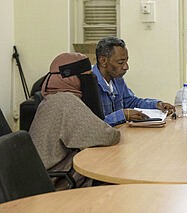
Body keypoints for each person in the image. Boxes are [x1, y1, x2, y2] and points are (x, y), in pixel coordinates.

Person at [29, 52, 120, 188]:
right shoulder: (65, 101)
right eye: (87, 77)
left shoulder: (52, 97)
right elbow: (108, 136)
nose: (91, 81)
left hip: (47, 174)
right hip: (58, 182)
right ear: (73, 78)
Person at [93, 37, 174, 126]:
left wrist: (157, 104)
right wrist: (123, 114)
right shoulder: (89, 84)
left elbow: (132, 102)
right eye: (120, 62)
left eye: (126, 61)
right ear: (103, 61)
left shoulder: (117, 79)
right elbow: (94, 124)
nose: (126, 67)